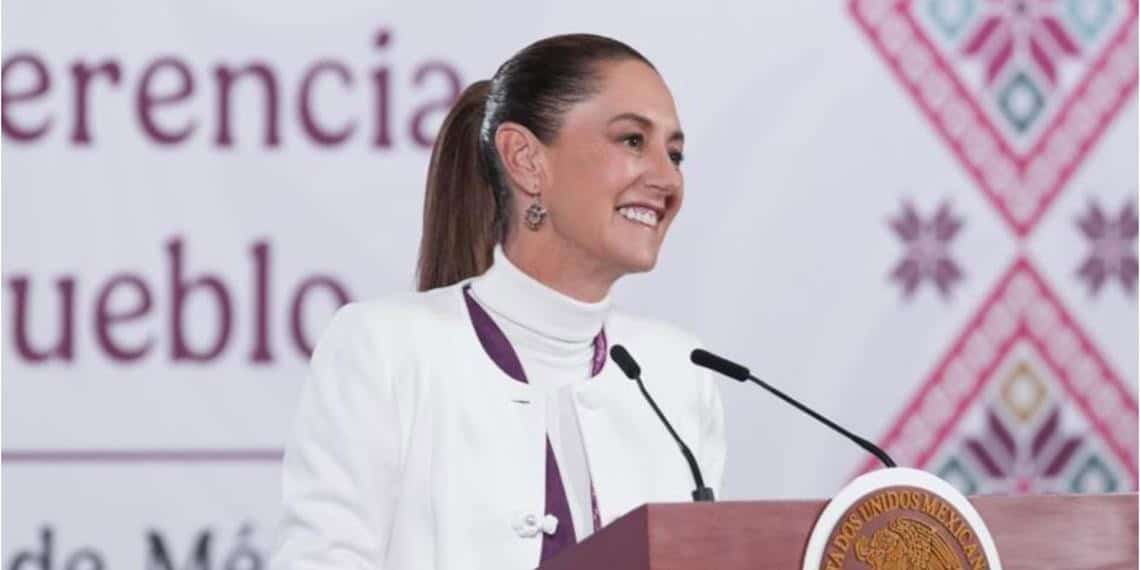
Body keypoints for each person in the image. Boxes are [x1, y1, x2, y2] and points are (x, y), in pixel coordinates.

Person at [271, 33, 725, 570]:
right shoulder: (384, 348)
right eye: (632, 141)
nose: (667, 178)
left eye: (675, 154)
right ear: (525, 159)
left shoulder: (680, 374)